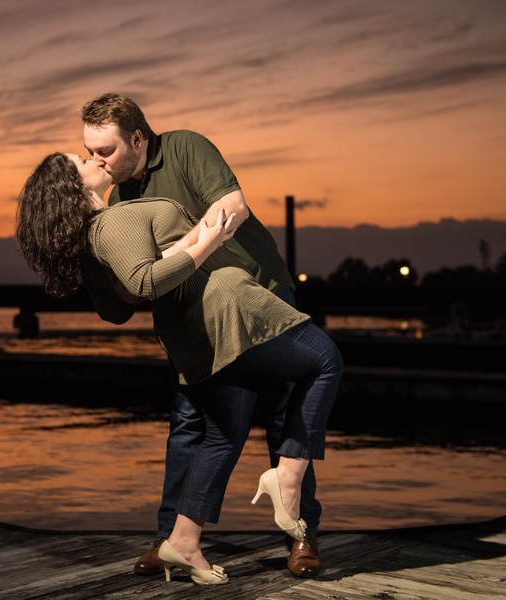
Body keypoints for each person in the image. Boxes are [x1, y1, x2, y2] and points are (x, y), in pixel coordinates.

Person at [16, 152, 342, 585]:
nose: (91, 158)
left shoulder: (92, 239)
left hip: (193, 332)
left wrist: (182, 247)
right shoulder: (112, 223)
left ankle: (183, 540)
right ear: (72, 187)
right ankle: (287, 476)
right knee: (325, 360)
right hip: (228, 304)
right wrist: (209, 240)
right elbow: (142, 283)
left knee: (220, 436)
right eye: (80, 160)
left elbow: (120, 305)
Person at [80, 93, 325, 578]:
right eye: (88, 152)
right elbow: (135, 290)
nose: (96, 161)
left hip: (261, 299)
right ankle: (174, 538)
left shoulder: (186, 148)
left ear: (137, 138)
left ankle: (301, 535)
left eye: (104, 150)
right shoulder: (116, 200)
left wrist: (180, 250)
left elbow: (232, 207)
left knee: (282, 416)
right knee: (190, 425)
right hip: (191, 323)